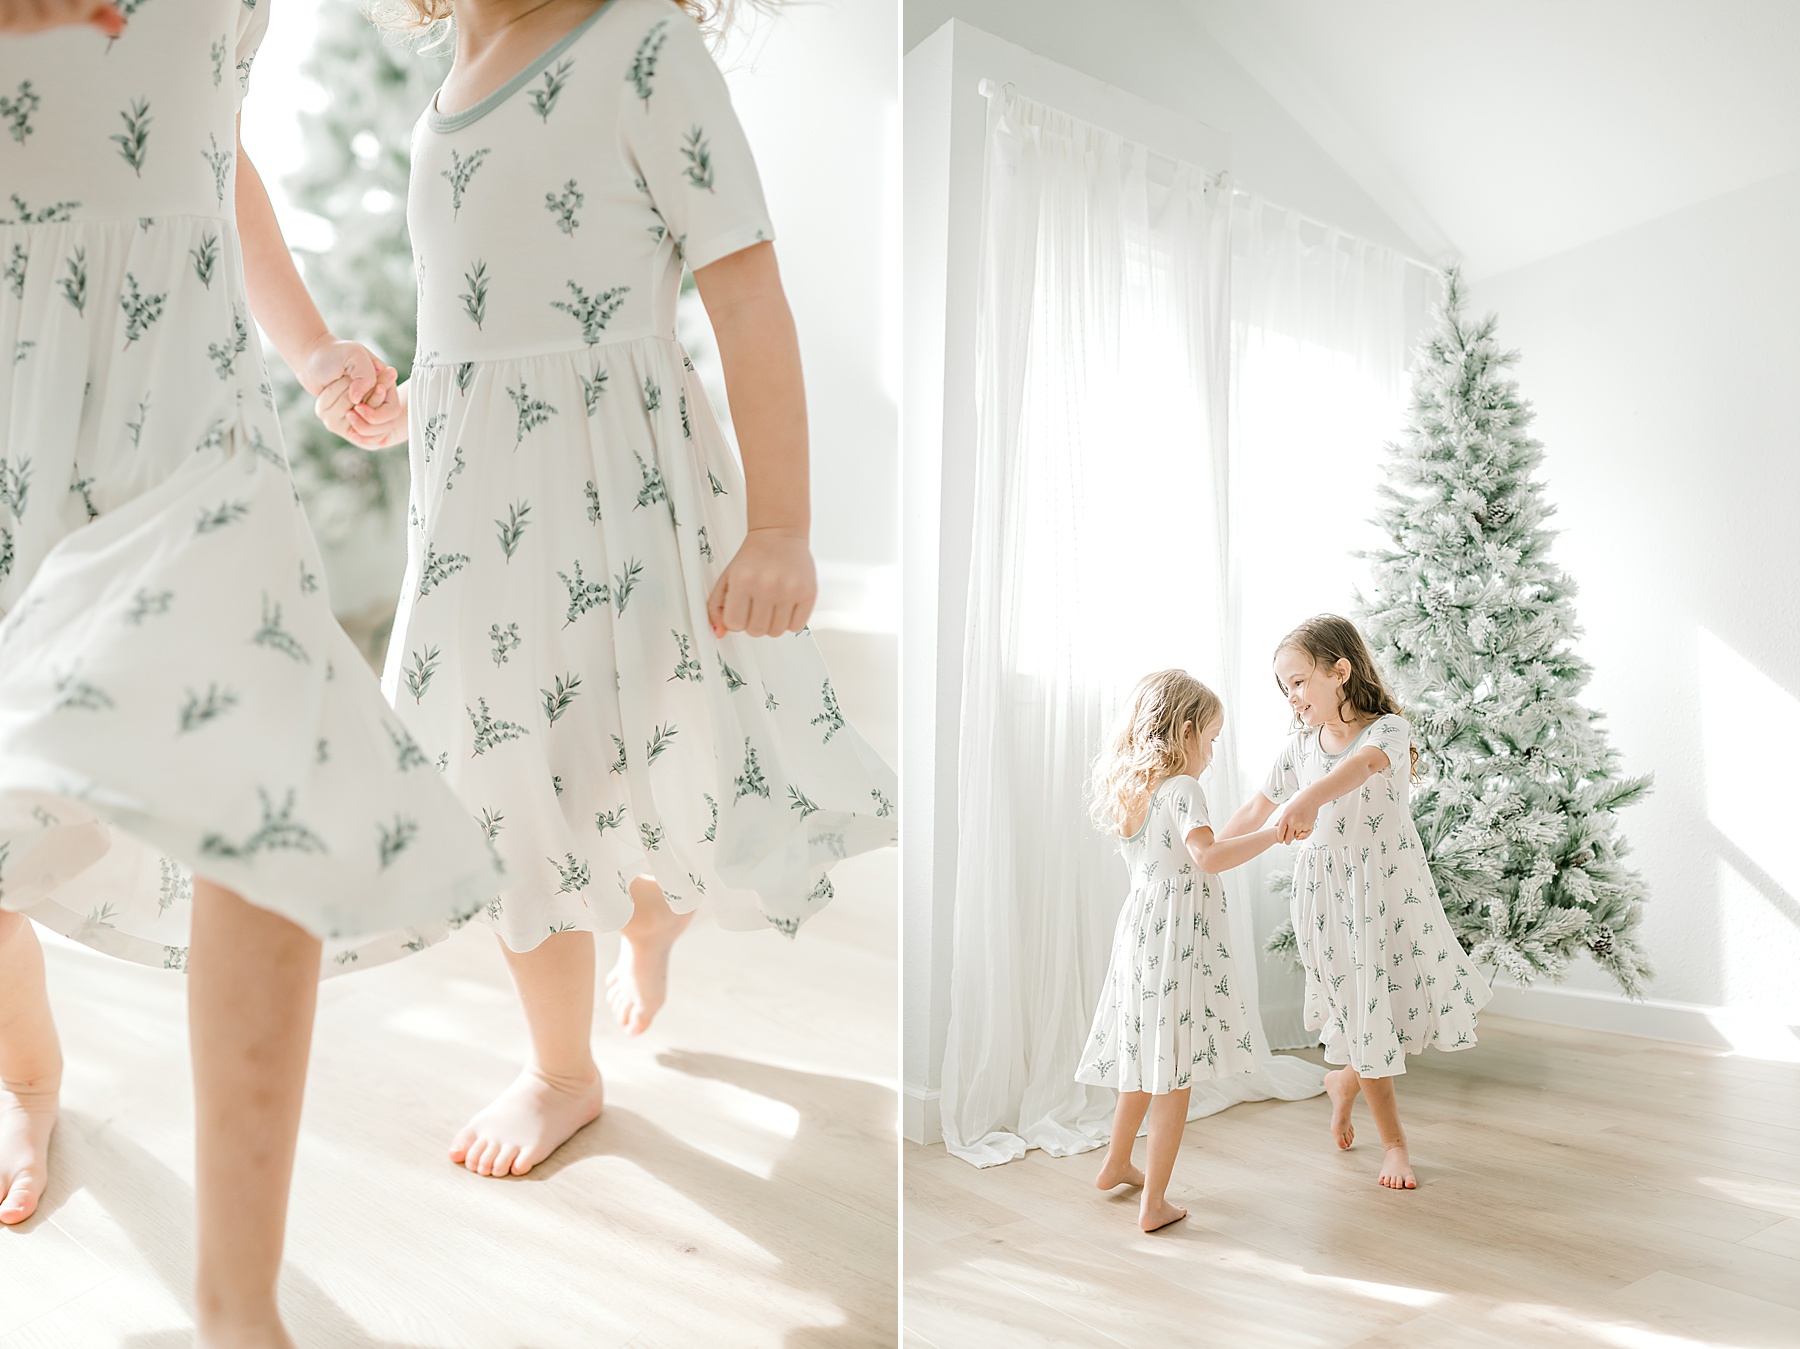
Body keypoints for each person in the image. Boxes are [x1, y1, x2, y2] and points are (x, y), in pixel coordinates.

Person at [319, 0, 897, 1179]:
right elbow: (482, 319)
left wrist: (781, 525)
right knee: (499, 784)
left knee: (630, 735)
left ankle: (628, 945)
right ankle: (564, 1055)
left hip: (623, 491)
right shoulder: (450, 80)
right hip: (477, 506)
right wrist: (411, 403)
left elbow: (744, 291)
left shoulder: (640, 44)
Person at [0, 3, 499, 1343]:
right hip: (11, 393)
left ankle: (240, 1306)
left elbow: (205, 146)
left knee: (266, 780)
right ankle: (26, 1073)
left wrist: (312, 345)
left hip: (188, 410)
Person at [1218, 614, 1492, 1190]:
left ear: (1340, 671)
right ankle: (1393, 1143)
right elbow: (1255, 810)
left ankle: (1343, 1079)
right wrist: (1211, 851)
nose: (1292, 697)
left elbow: (1361, 769)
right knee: (1363, 1011)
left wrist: (1311, 798)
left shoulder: (1387, 731)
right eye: (1283, 687)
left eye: (1298, 681)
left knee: (1386, 1005)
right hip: (1326, 897)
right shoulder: (1297, 747)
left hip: (1389, 893)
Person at [1074, 670, 1282, 1231]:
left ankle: (1117, 1162)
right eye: (1211, 740)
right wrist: (1273, 834)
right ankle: (1155, 1204)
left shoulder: (1133, 787)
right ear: (1187, 731)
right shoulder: (1183, 789)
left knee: (1146, 1056)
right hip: (1177, 939)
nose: (1212, 755)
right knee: (1173, 1069)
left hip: (1142, 930)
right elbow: (1207, 857)